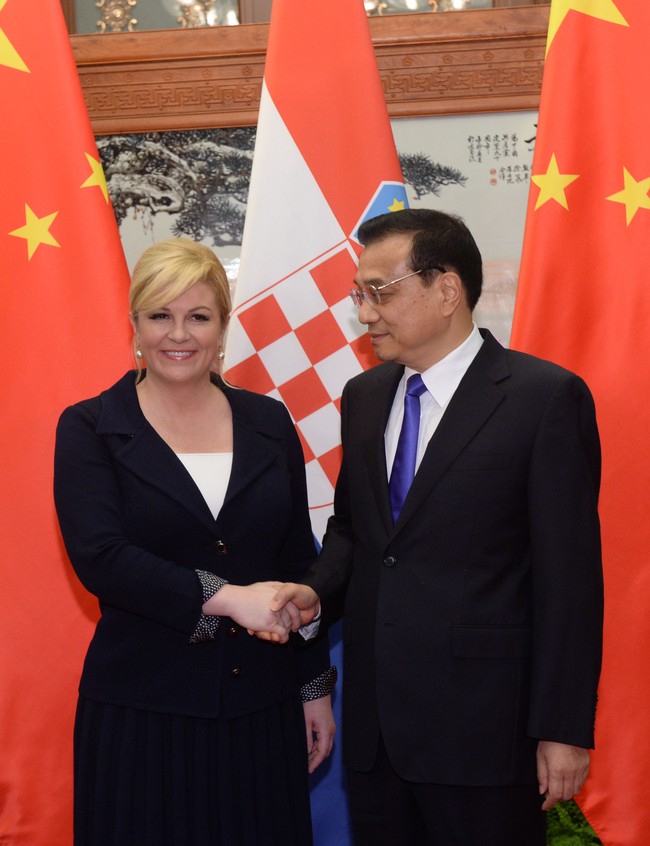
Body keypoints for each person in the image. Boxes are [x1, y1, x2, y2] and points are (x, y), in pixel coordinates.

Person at [268, 209, 603, 846]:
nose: (364, 313)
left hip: (488, 735)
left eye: (379, 292)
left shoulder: (543, 398)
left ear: (446, 289)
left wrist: (563, 728)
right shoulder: (364, 398)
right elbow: (354, 534)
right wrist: (314, 594)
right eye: (358, 296)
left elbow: (572, 582)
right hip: (376, 734)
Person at [54, 237, 336, 846]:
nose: (178, 334)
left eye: (198, 316)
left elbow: (297, 562)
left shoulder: (268, 421)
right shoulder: (91, 427)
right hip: (142, 715)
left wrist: (313, 689)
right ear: (134, 324)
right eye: (160, 315)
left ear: (221, 328)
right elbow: (102, 559)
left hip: (263, 712)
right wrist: (227, 597)